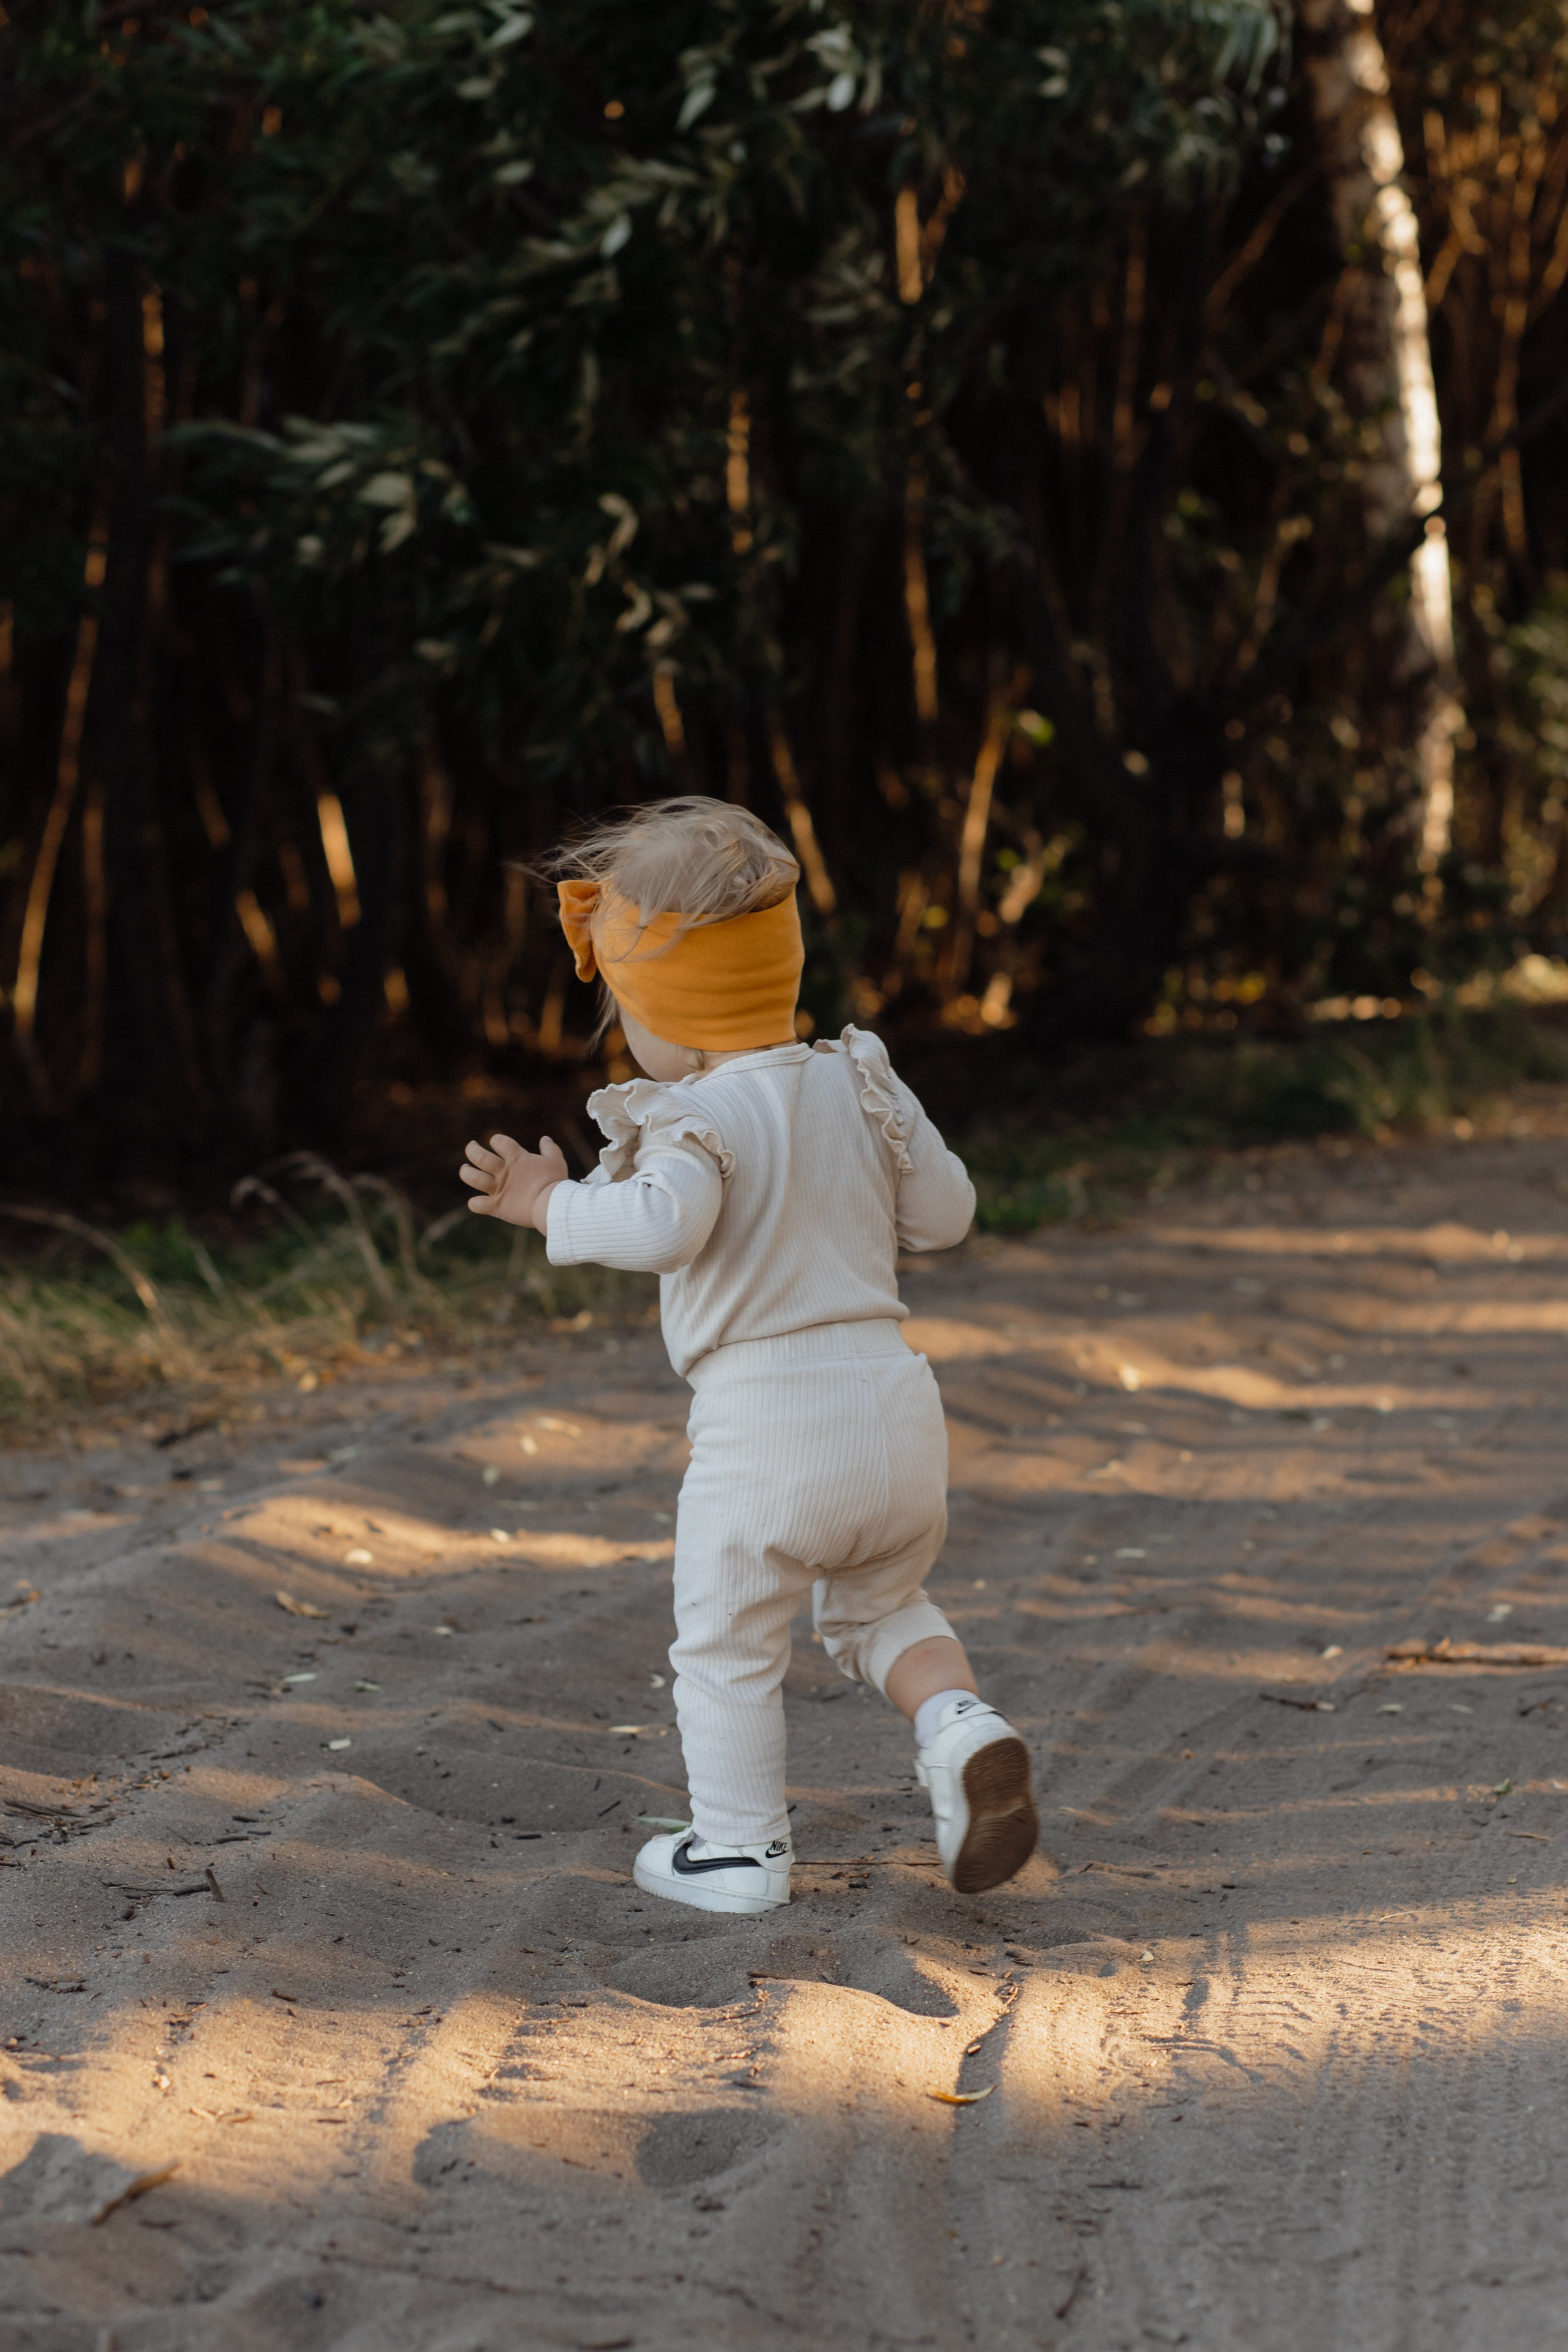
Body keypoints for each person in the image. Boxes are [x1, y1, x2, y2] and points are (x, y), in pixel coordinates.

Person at [459, 796, 1037, 1917]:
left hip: (767, 1427)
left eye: (629, 1009)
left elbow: (662, 1227)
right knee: (882, 1608)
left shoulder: (697, 1118)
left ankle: (736, 1852)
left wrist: (553, 1205)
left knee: (724, 1642)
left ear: (672, 1007)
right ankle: (962, 1726)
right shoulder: (860, 1081)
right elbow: (951, 1212)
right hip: (894, 1407)